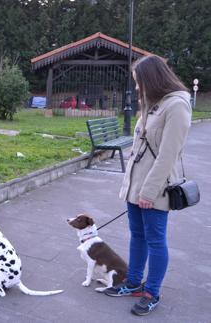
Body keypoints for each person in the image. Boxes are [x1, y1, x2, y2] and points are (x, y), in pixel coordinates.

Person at [104, 55, 192, 316]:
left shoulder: (176, 105)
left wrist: (149, 192)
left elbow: (168, 154)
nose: (138, 88)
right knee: (137, 235)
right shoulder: (153, 103)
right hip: (136, 184)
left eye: (139, 82)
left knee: (155, 240)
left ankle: (152, 292)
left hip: (154, 188)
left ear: (152, 79)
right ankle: (133, 283)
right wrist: (131, 187)